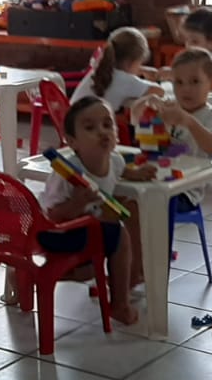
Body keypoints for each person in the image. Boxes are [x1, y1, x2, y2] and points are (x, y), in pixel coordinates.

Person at [39, 96, 155, 325]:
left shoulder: (115, 160)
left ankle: (34, 277)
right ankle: (120, 304)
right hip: (55, 233)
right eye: (90, 128)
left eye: (107, 124)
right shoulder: (67, 172)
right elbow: (49, 216)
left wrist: (138, 173)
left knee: (89, 271)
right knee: (119, 235)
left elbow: (121, 172)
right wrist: (76, 204)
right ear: (72, 141)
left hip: (86, 228)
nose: (102, 132)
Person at [133, 48, 212, 160]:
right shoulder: (169, 107)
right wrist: (147, 102)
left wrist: (188, 121)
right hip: (168, 171)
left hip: (200, 174)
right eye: (179, 82)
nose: (186, 89)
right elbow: (134, 118)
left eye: (195, 81)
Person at [72, 26, 160, 114]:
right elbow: (159, 91)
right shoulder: (125, 81)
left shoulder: (100, 69)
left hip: (73, 123)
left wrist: (141, 70)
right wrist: (152, 78)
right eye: (140, 63)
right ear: (133, 62)